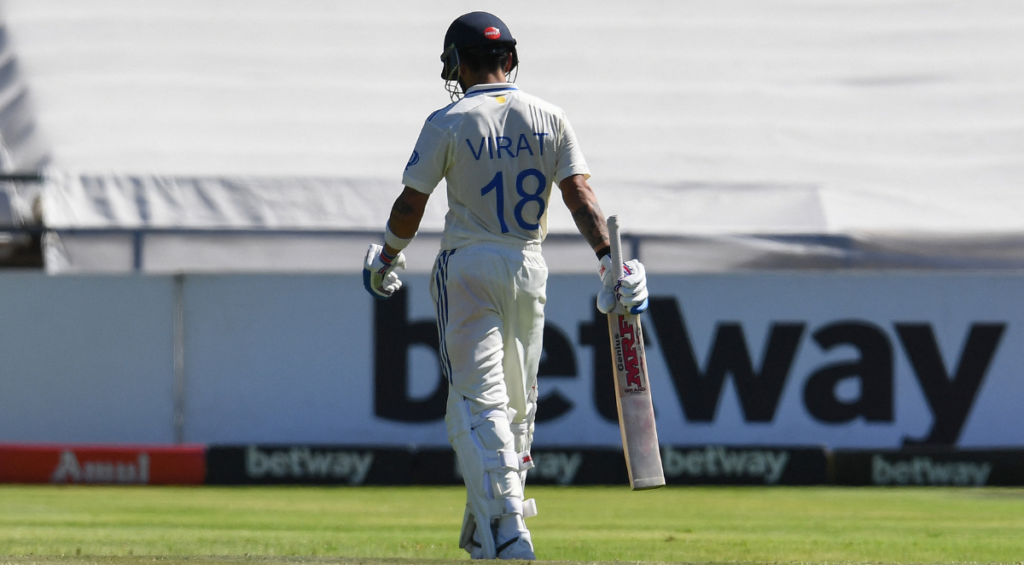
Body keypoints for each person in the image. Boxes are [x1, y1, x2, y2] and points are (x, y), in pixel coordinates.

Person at [363, 11, 649, 560]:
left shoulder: (448, 120)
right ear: (511, 60)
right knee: (518, 406)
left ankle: (508, 527)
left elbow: (410, 204)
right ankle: (483, 525)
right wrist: (612, 261)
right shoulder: (551, 116)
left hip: (469, 264)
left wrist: (387, 257)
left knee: (478, 402)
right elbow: (580, 198)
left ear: (459, 64)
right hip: (529, 266)